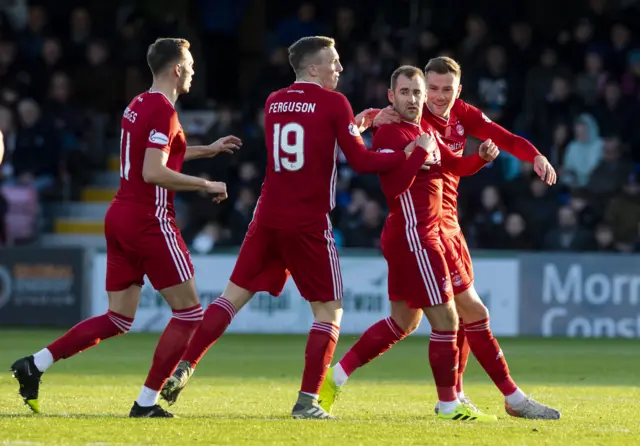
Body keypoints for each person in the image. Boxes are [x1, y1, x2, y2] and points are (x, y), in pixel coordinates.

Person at [159, 36, 428, 420]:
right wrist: (410, 152)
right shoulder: (335, 102)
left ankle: (187, 364)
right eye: (333, 62)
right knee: (328, 313)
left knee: (230, 298)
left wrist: (364, 120)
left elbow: (315, 134)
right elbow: (363, 161)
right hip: (307, 221)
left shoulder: (274, 101)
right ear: (313, 68)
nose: (339, 69)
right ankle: (306, 402)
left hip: (267, 216)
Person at [10, 38, 240, 418]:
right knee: (189, 314)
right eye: (192, 65)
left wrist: (205, 149)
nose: (195, 71)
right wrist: (204, 183)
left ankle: (36, 363)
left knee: (118, 318)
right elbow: (152, 170)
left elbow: (152, 154)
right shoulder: (164, 111)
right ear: (176, 69)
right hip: (149, 220)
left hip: (119, 216)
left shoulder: (137, 104)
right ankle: (146, 403)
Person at [359, 56, 560, 419]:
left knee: (460, 315)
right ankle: (500, 398)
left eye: (446, 90)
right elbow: (377, 117)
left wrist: (536, 156)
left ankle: (458, 394)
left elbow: (503, 136)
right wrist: (373, 114)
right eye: (431, 88)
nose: (436, 97)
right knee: (461, 313)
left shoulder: (462, 114)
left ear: (459, 90)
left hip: (450, 225)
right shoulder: (413, 114)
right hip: (427, 227)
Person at [320, 65, 500, 421]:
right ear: (391, 96)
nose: (414, 99)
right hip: (416, 236)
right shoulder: (390, 134)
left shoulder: (421, 130)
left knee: (403, 322)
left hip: (409, 236)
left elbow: (453, 166)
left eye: (418, 93)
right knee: (448, 321)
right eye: (405, 93)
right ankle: (448, 404)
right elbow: (393, 187)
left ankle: (334, 379)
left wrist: (480, 159)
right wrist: (417, 152)